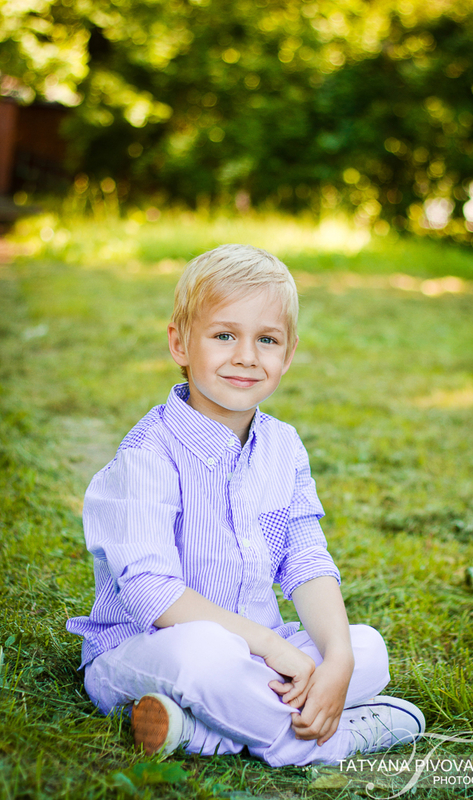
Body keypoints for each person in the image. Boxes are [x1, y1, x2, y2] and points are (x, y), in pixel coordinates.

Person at [66, 244, 425, 767]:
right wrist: (272, 648)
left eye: (267, 340)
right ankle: (328, 741)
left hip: (254, 654)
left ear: (289, 353)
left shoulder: (284, 447)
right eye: (224, 335)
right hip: (149, 651)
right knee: (207, 657)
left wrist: (338, 659)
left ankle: (199, 730)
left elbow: (305, 559)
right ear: (179, 343)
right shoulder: (148, 455)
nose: (246, 356)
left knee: (366, 647)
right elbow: (151, 593)